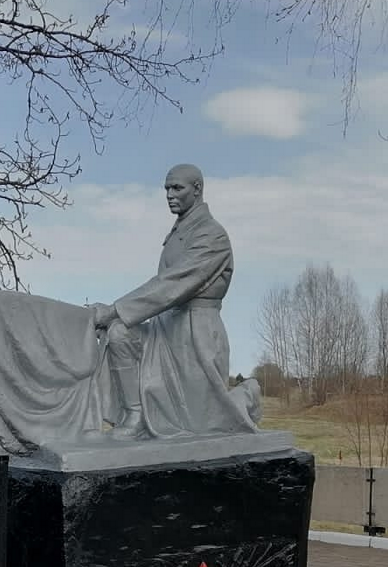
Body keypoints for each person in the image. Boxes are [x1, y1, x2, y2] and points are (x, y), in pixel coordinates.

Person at [89, 164, 261, 440]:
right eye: (167, 189)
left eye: (177, 188)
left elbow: (173, 283)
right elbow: (163, 285)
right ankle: (135, 416)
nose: (169, 195)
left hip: (195, 334)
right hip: (164, 327)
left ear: (197, 189)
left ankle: (246, 395)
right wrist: (115, 317)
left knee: (207, 423)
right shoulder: (179, 232)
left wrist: (114, 310)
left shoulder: (212, 235)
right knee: (119, 333)